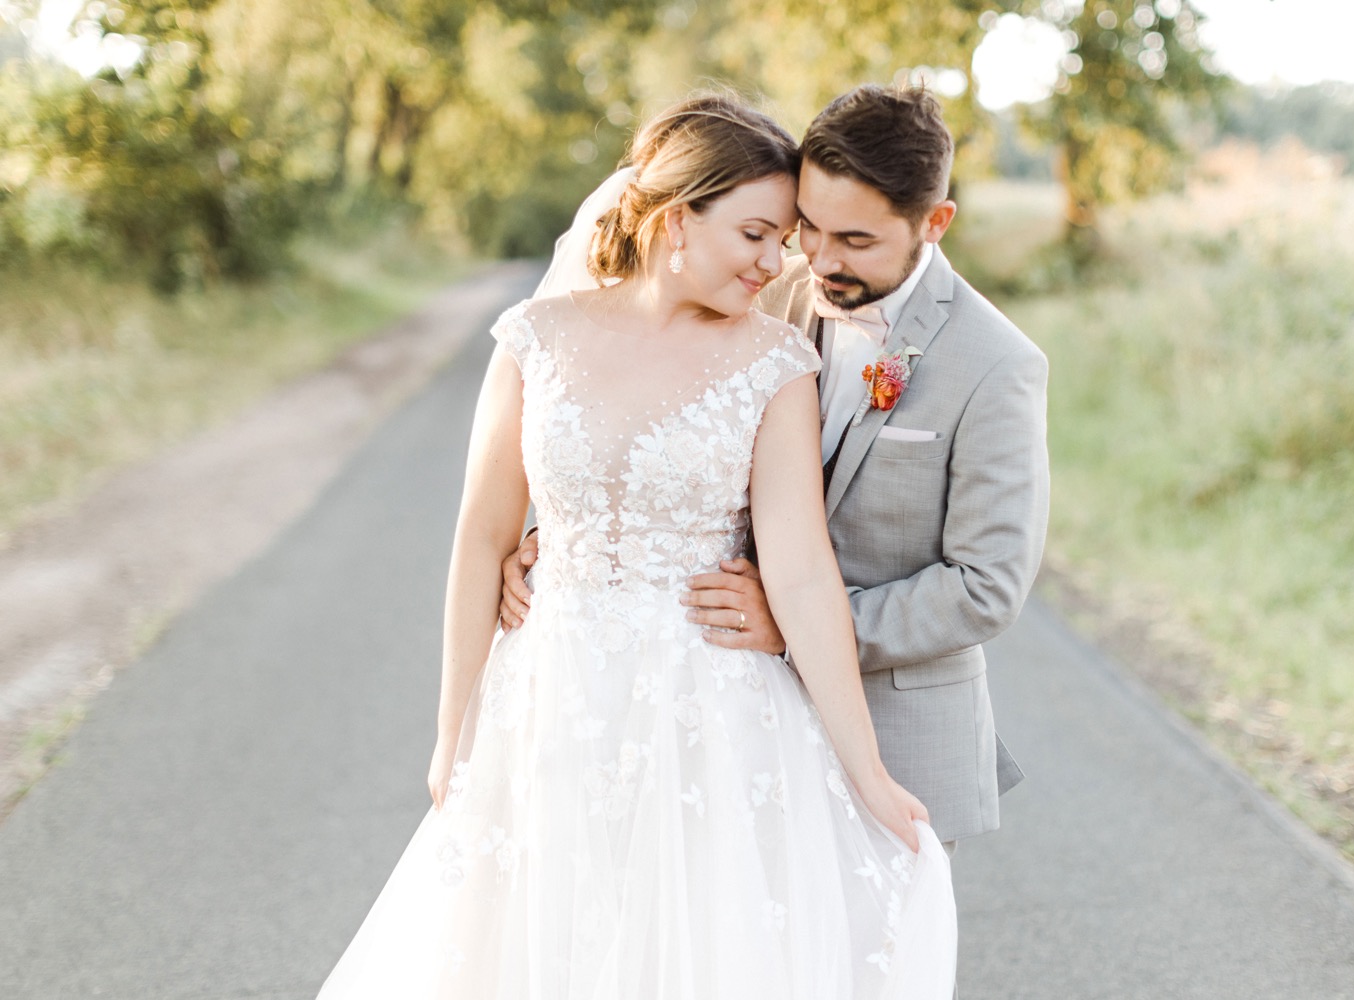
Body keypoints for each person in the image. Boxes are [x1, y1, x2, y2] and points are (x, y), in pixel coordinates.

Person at [316, 94, 956, 999]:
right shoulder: (536, 339)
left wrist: (868, 772)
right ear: (674, 221)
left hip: (710, 715)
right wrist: (451, 730)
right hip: (547, 702)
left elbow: (803, 571)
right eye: (758, 234)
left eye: (783, 239)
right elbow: (482, 537)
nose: (779, 263)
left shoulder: (775, 366)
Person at [502, 85, 1051, 853]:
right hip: (727, 712)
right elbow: (636, 411)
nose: (821, 259)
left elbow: (986, 585)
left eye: (855, 240)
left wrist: (790, 626)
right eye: (811, 229)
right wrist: (564, 546)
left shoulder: (996, 365)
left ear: (935, 222)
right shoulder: (760, 290)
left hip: (895, 728)